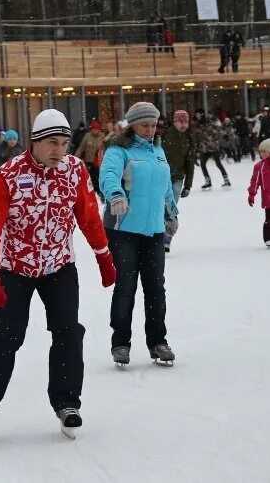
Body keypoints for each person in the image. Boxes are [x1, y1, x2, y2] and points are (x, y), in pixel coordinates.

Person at [0, 109, 116, 446]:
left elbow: (89, 216)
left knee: (68, 331)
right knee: (8, 335)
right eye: (52, 143)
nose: (59, 150)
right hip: (15, 267)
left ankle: (66, 403)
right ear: (35, 142)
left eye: (64, 143)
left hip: (59, 266)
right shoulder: (9, 174)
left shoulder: (74, 171)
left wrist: (103, 255)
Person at [99, 102, 178, 369]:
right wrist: (116, 195)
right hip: (123, 230)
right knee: (126, 287)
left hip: (153, 230)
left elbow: (165, 184)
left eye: (154, 124)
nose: (150, 129)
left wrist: (171, 213)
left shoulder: (157, 150)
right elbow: (108, 175)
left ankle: (158, 341)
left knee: (156, 288)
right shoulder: (118, 149)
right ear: (132, 125)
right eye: (145, 124)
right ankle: (120, 343)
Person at [161, 110, 196, 253]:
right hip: (161, 177)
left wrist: (188, 185)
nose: (183, 125)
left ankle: (166, 238)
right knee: (159, 208)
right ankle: (157, 236)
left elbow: (190, 162)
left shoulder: (189, 138)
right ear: (174, 122)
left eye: (185, 122)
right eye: (180, 122)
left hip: (177, 178)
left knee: (170, 208)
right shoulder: (164, 135)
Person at [194, 114, 230, 189]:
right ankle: (208, 181)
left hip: (213, 146)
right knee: (203, 164)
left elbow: (219, 129)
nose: (197, 116)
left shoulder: (210, 123)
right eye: (196, 115)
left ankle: (226, 180)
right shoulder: (198, 125)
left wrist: (224, 135)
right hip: (204, 148)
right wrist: (195, 146)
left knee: (218, 163)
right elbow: (196, 136)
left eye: (198, 115)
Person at [74, 122, 106, 200]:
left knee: (99, 177)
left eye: (96, 129)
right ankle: (94, 193)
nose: (94, 131)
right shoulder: (87, 136)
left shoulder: (102, 136)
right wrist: (75, 158)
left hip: (99, 162)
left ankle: (100, 193)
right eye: (93, 129)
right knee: (91, 177)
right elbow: (81, 147)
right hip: (89, 160)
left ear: (98, 129)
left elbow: (105, 149)